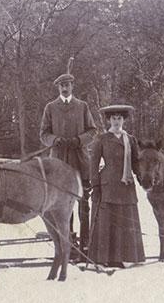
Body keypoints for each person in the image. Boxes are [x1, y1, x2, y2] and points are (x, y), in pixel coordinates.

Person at [39, 71, 97, 259]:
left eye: (68, 85)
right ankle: (68, 245)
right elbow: (43, 134)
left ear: (73, 86)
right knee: (62, 206)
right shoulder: (50, 108)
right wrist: (55, 140)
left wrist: (78, 141)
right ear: (58, 88)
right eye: (61, 85)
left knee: (83, 204)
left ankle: (86, 245)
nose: (65, 88)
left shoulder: (82, 106)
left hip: (80, 161)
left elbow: (92, 131)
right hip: (58, 164)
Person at [87, 104, 145, 268]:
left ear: (124, 120)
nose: (117, 121)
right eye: (114, 118)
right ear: (109, 120)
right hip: (108, 186)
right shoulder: (102, 139)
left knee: (124, 221)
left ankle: (123, 257)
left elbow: (135, 163)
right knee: (106, 222)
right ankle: (103, 258)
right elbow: (94, 164)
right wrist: (96, 186)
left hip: (126, 186)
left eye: (120, 118)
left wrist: (143, 179)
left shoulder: (130, 139)